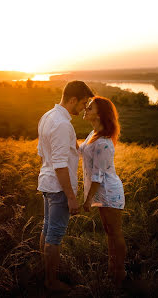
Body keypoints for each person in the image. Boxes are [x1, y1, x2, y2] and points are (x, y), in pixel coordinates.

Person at [37, 81, 94, 291]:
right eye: (83, 103)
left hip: (47, 182)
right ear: (72, 100)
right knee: (55, 235)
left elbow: (43, 153)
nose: (83, 108)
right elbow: (60, 165)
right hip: (59, 188)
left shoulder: (48, 116)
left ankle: (44, 272)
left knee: (47, 228)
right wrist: (71, 196)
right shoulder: (62, 124)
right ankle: (51, 282)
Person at [79, 96, 127, 287]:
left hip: (109, 192)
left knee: (115, 232)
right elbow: (80, 149)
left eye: (90, 108)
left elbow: (98, 176)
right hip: (101, 191)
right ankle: (112, 268)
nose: (86, 109)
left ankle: (120, 271)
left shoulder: (103, 143)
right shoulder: (93, 134)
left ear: (100, 114)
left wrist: (88, 200)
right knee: (109, 231)